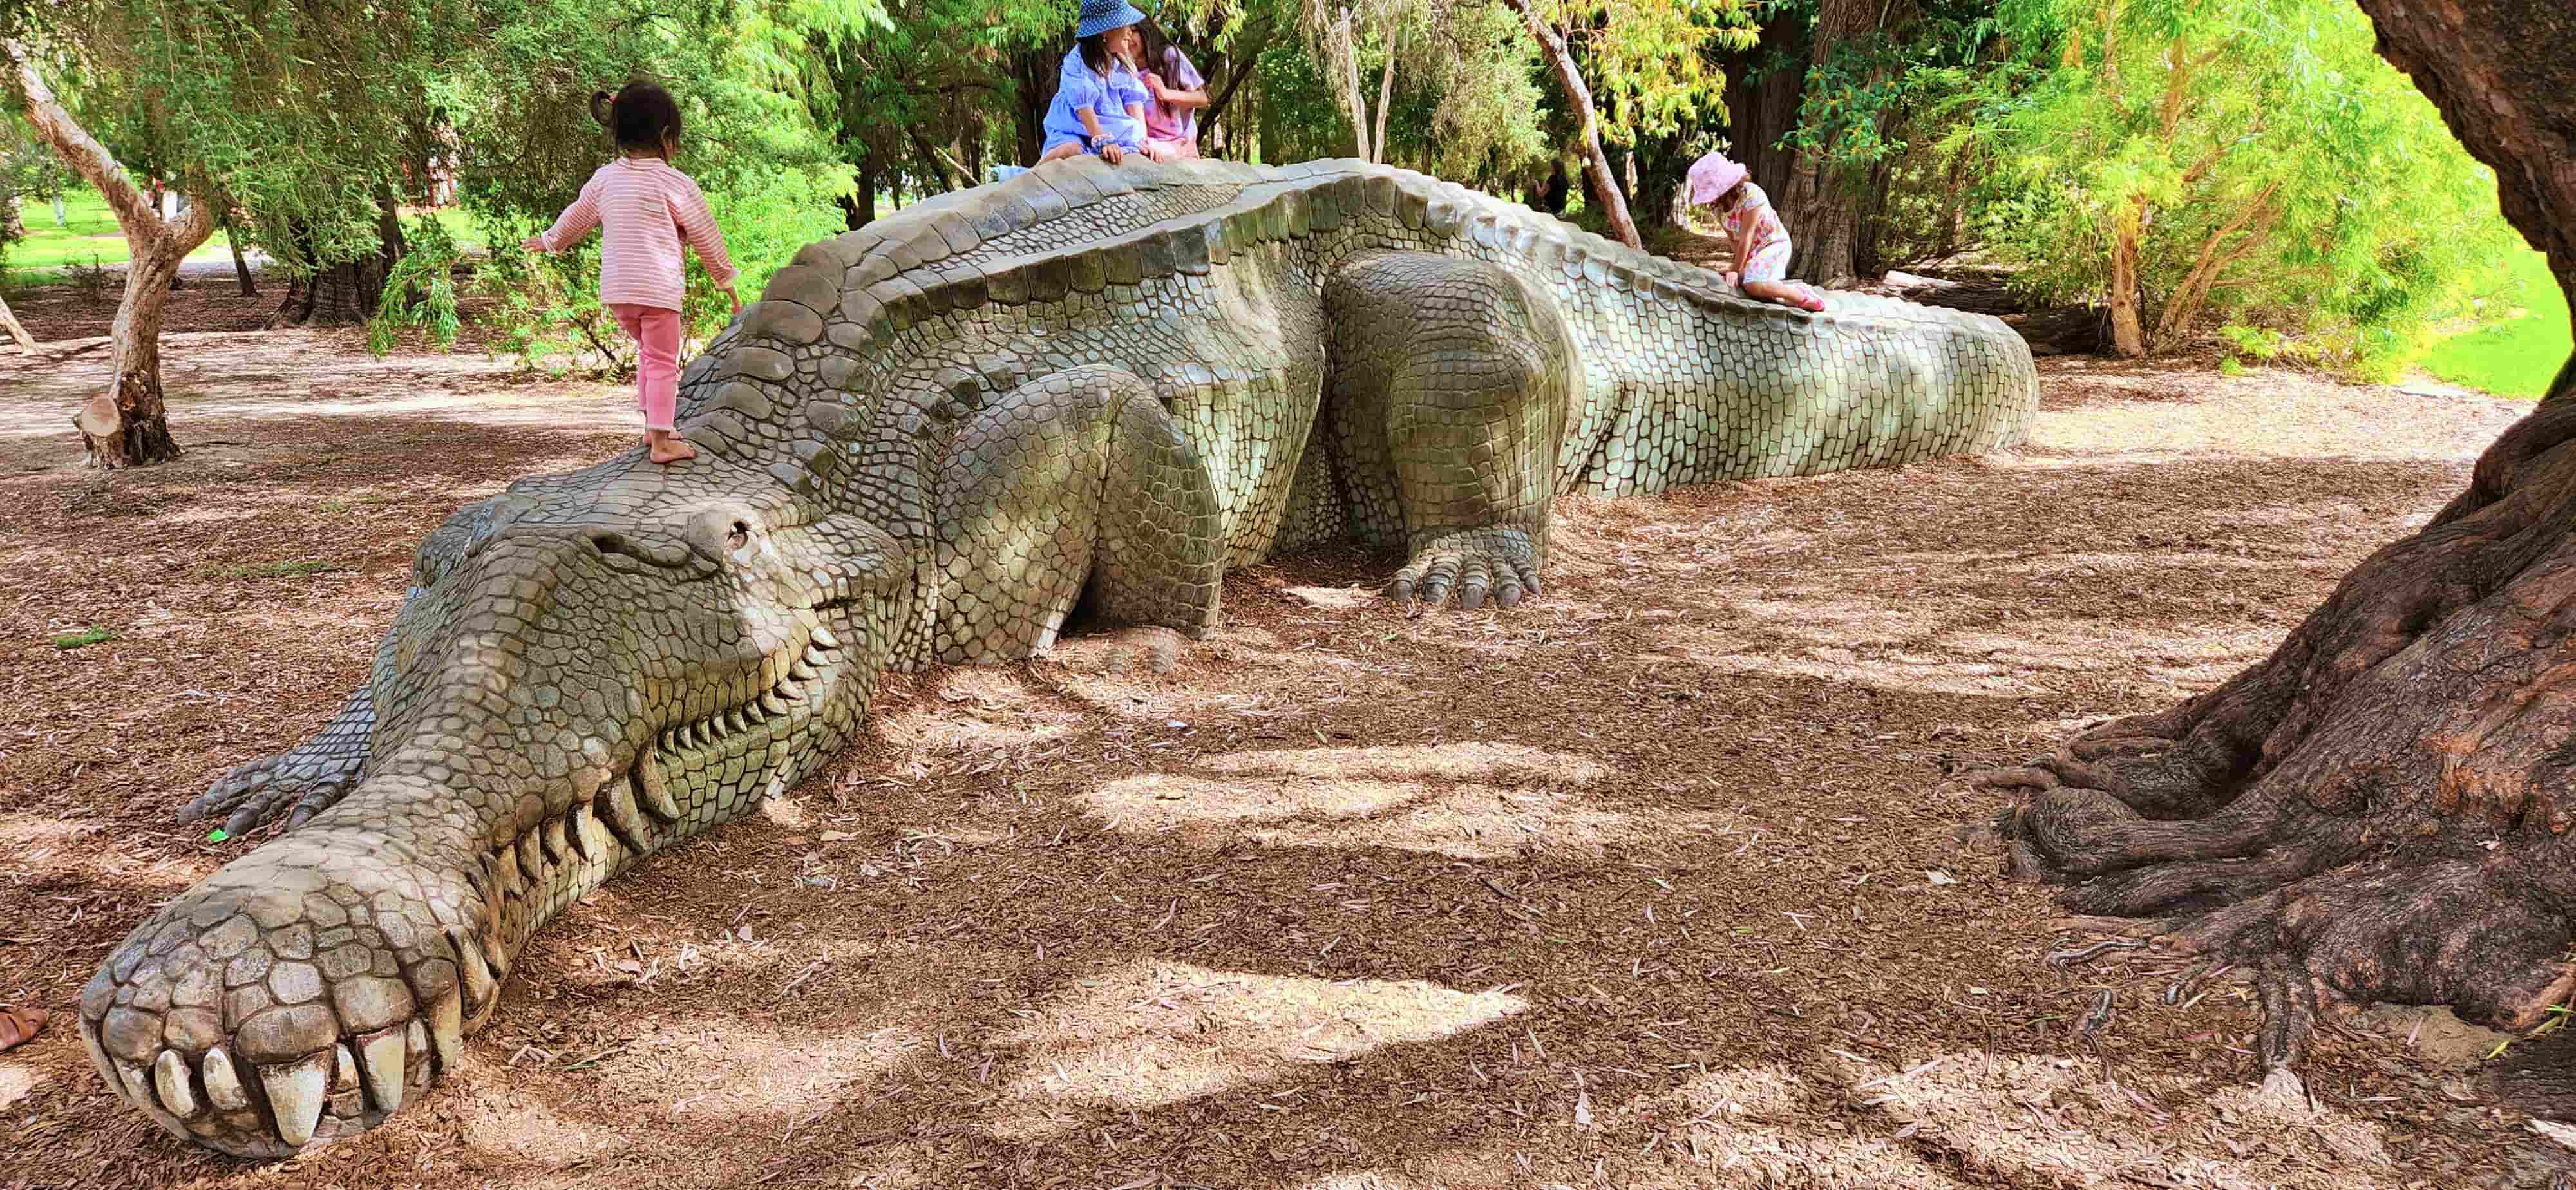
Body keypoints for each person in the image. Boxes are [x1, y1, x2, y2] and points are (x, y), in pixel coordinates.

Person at [522, 80, 741, 464]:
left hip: (619, 294)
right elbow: (706, 235)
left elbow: (579, 216)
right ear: (666, 136)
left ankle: (653, 427)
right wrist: (726, 281)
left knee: (648, 354)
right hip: (657, 291)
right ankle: (662, 441)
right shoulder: (675, 183)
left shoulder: (605, 179)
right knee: (661, 361)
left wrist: (551, 239)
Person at [1686, 151, 1827, 313]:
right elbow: (1734, 240)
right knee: (1750, 286)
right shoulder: (1719, 210)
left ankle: (1804, 297)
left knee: (1752, 284)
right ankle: (1789, 291)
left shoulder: (1751, 194)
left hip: (1774, 244)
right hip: (1753, 253)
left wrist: (1735, 269)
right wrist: (1739, 269)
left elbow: (1747, 236)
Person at [1040, 0, 1153, 163]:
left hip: (1110, 127)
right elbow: (1083, 108)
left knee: (1131, 146)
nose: (1129, 33)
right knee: (1073, 149)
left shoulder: (1122, 65)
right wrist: (1101, 140)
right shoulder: (1078, 62)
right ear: (1104, 32)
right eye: (1125, 25)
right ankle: (1032, 172)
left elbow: (1134, 103)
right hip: (1076, 127)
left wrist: (1142, 141)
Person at [1135, 21, 1208, 161]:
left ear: (1146, 31)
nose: (1128, 38)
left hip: (1180, 145)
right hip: (1146, 143)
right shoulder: (1121, 68)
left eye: (1133, 31)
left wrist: (1166, 93)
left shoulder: (1169, 56)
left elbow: (1202, 98)